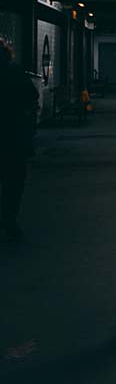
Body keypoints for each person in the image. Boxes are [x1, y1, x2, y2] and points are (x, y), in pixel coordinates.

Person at [0, 39, 38, 241]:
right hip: (12, 136)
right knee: (13, 181)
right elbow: (32, 97)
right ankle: (8, 217)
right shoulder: (14, 72)